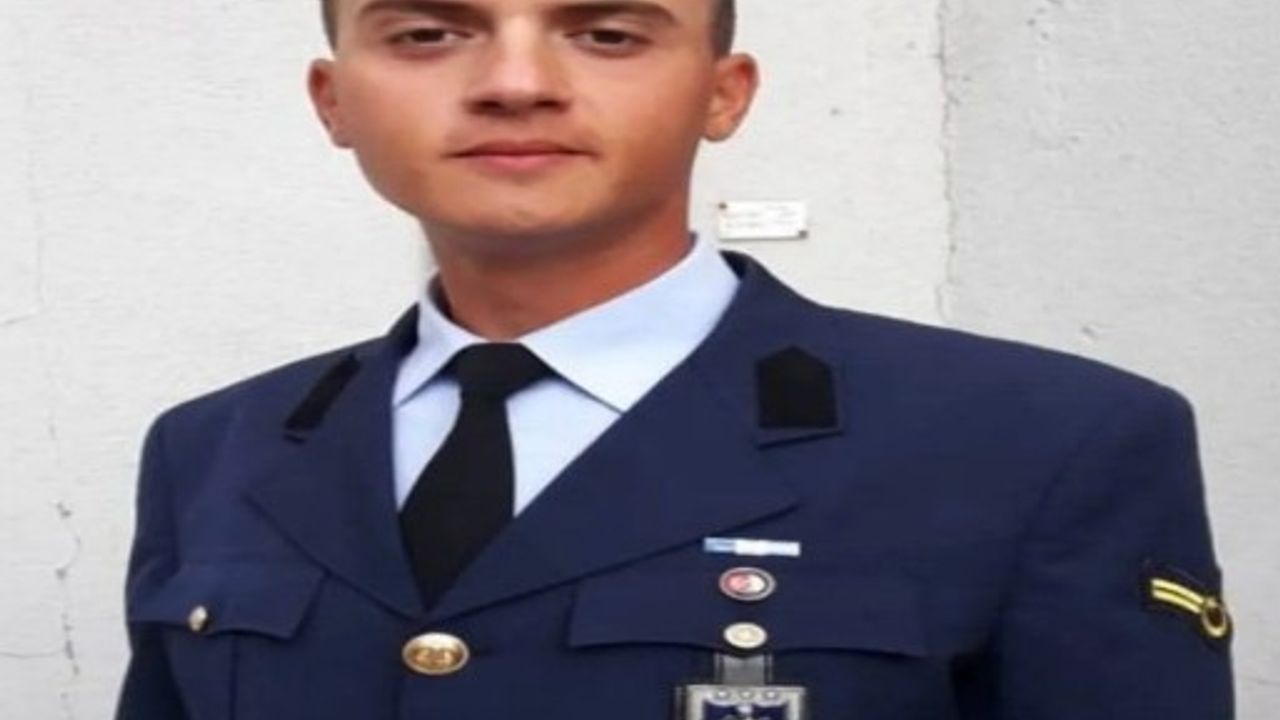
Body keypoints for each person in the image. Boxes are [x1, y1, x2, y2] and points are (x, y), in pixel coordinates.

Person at [115, 0, 1234, 717]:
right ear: (333, 101)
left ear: (722, 93)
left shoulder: (1038, 443)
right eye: (428, 34)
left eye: (606, 33)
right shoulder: (217, 449)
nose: (516, 82)